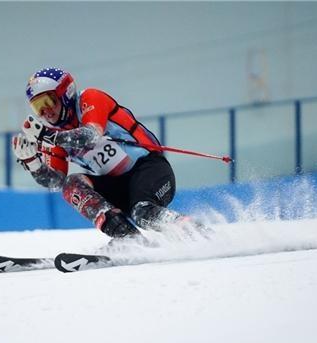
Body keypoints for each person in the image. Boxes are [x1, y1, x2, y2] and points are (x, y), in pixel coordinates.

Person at [12, 67, 201, 240]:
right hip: (119, 186)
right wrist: (32, 163)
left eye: (48, 101)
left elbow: (90, 136)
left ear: (65, 93)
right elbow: (55, 182)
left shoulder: (89, 99)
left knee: (143, 213)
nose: (45, 112)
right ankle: (127, 238)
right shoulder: (54, 135)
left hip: (151, 170)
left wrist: (48, 136)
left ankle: (195, 231)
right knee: (71, 185)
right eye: (37, 107)